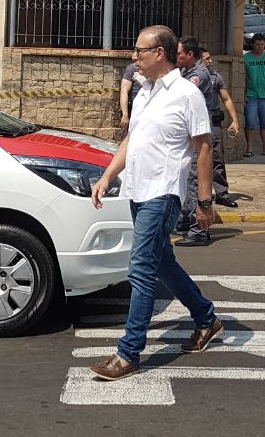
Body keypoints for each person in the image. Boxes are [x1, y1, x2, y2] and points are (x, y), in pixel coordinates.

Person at [89, 25, 223, 381]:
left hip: (163, 193)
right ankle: (206, 319)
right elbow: (132, 139)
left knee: (141, 269)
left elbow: (204, 147)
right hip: (138, 190)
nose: (134, 57)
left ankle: (129, 352)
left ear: (159, 53)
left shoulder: (186, 94)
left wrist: (205, 202)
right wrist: (107, 176)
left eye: (139, 51)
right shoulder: (144, 91)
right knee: (163, 264)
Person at [175, 36, 222, 246]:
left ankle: (199, 232)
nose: (176, 57)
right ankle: (186, 221)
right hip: (192, 133)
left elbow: (179, 93)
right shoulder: (187, 71)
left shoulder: (198, 75)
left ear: (190, 55)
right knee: (188, 178)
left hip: (199, 135)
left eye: (179, 54)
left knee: (195, 181)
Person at [202, 49, 241, 209]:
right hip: (196, 123)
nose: (210, 61)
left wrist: (235, 120)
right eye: (207, 59)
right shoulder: (188, 77)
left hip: (213, 122)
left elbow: (226, 98)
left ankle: (222, 194)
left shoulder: (215, 77)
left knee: (217, 158)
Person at [118, 59, 147, 137]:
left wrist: (144, 82)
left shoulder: (155, 70)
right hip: (133, 110)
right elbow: (124, 91)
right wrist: (125, 114)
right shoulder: (132, 69)